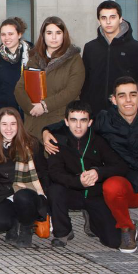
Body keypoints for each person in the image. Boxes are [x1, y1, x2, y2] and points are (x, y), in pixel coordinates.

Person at [43, 77, 138, 254]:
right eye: (122, 96)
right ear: (114, 100)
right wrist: (46, 131)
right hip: (126, 182)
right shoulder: (105, 120)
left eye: (132, 95)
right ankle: (126, 227)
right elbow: (76, 121)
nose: (128, 100)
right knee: (111, 187)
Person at [44, 101, 126, 248]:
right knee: (55, 190)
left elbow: (119, 166)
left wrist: (98, 172)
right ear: (66, 122)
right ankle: (63, 232)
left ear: (90, 122)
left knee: (113, 242)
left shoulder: (99, 140)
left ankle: (93, 223)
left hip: (95, 194)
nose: (78, 125)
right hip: (71, 192)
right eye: (73, 120)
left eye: (83, 120)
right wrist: (77, 182)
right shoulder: (58, 141)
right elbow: (54, 173)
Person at [0, 107, 49, 248]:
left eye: (13, 124)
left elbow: (43, 173)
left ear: (19, 125)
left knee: (22, 196)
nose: (9, 129)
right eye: (4, 124)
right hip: (4, 194)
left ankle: (26, 227)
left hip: (28, 193)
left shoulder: (32, 144)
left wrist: (44, 197)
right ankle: (13, 224)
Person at [14, 16, 85, 140]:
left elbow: (72, 91)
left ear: (64, 35)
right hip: (33, 124)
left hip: (58, 123)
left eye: (58, 33)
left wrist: (45, 106)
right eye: (49, 33)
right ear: (43, 35)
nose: (53, 37)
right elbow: (19, 88)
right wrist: (32, 109)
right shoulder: (34, 58)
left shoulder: (74, 59)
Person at [81, 0, 138, 115]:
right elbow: (85, 81)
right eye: (104, 18)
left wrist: (133, 103)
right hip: (95, 113)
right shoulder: (90, 48)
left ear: (120, 19)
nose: (108, 22)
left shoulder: (137, 48)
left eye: (112, 17)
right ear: (98, 20)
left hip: (124, 114)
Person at [0, 17, 31, 123]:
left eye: (11, 34)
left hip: (29, 116)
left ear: (19, 34)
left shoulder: (33, 56)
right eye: (3, 34)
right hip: (6, 118)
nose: (7, 38)